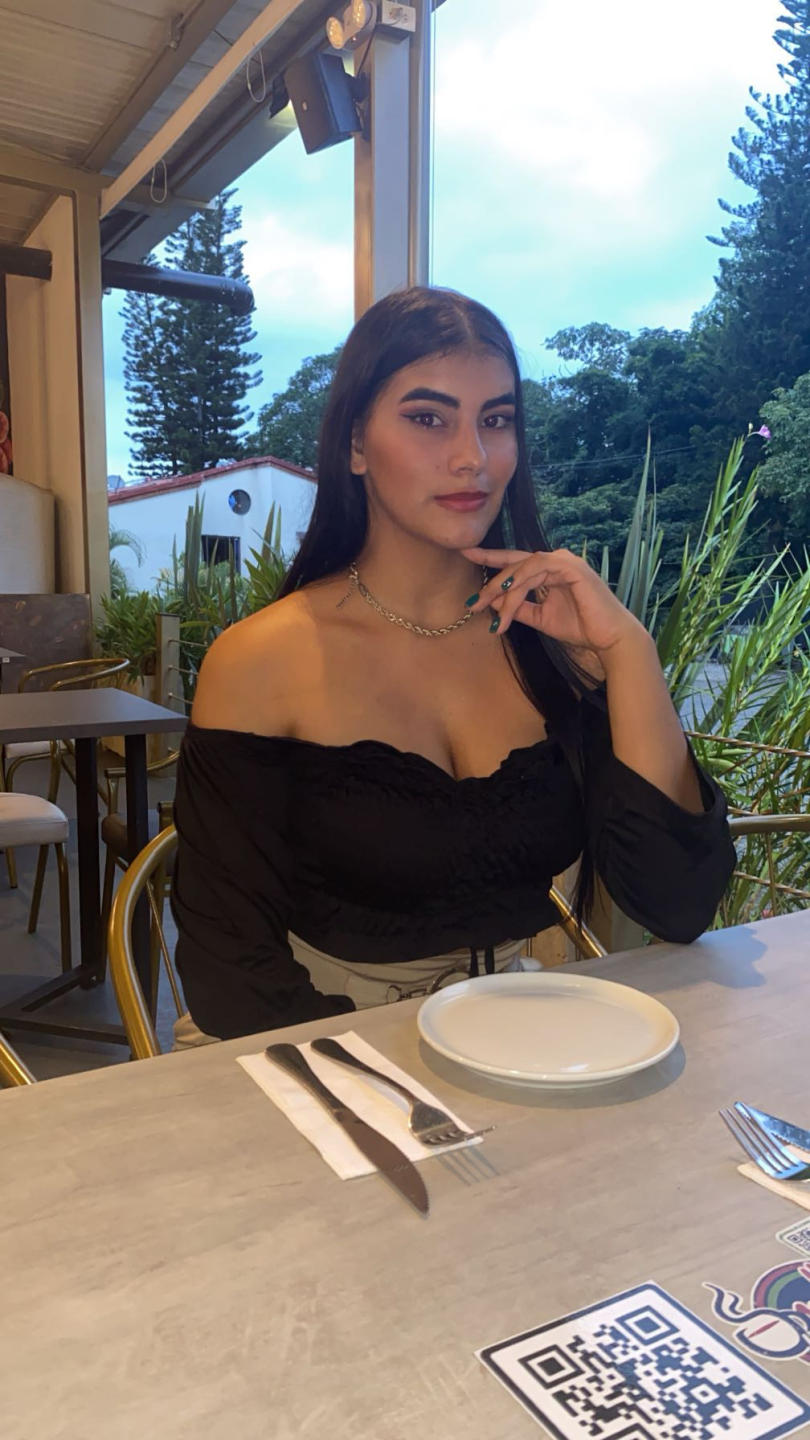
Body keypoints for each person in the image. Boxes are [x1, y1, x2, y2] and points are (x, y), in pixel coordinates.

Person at [170, 286, 736, 1046]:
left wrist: (626, 652)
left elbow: (678, 903)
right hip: (318, 1044)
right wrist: (406, 1089)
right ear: (356, 445)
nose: (473, 457)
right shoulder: (262, 659)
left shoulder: (551, 641)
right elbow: (230, 970)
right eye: (428, 418)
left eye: (496, 420)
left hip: (525, 1035)